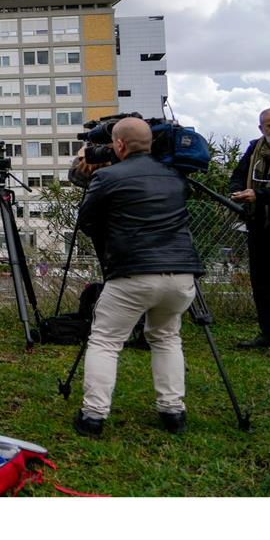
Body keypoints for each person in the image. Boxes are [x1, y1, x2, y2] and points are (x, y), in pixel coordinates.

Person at [74, 117, 205, 437]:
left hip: (132, 273)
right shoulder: (175, 177)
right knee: (166, 338)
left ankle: (93, 416)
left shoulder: (106, 176)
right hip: (180, 274)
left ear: (118, 145)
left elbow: (87, 221)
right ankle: (173, 412)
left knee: (105, 341)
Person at [229, 106, 270, 349]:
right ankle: (267, 334)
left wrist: (259, 194)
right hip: (259, 225)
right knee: (262, 282)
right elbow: (237, 175)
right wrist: (237, 192)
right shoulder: (254, 148)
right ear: (261, 128)